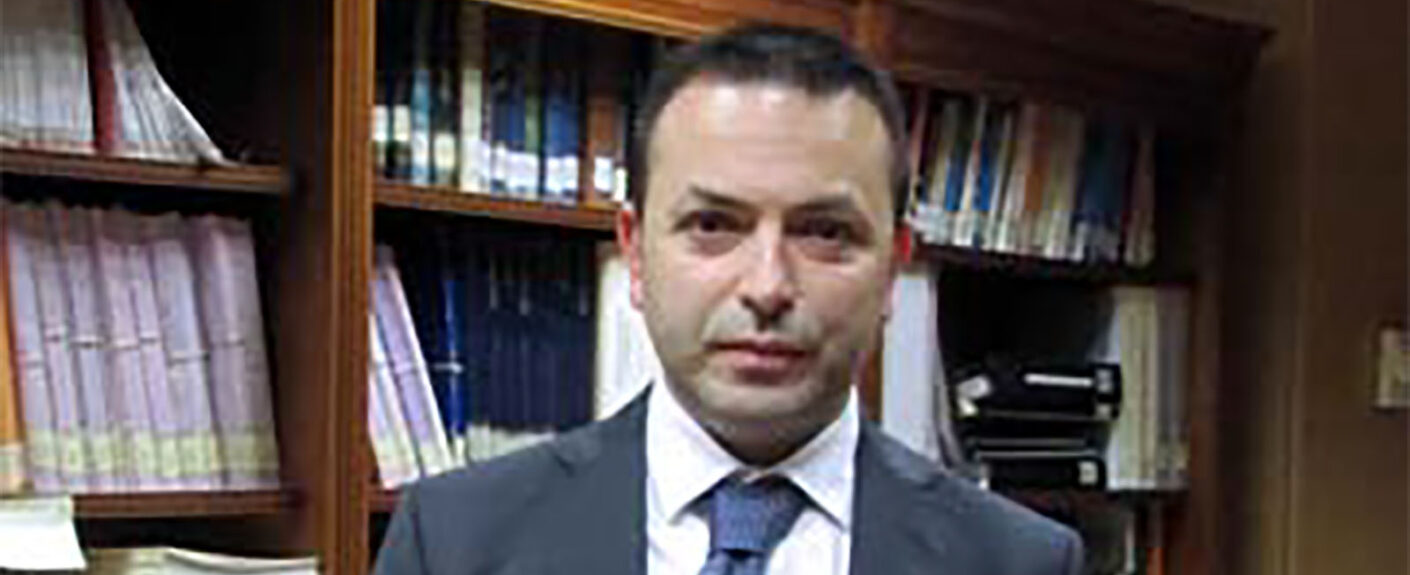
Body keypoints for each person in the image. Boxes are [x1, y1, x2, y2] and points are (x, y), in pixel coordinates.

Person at [373, 24, 1083, 575]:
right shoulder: (455, 541)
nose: (767, 286)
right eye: (713, 224)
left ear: (894, 268)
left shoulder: (1021, 562)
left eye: (825, 231)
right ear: (636, 253)